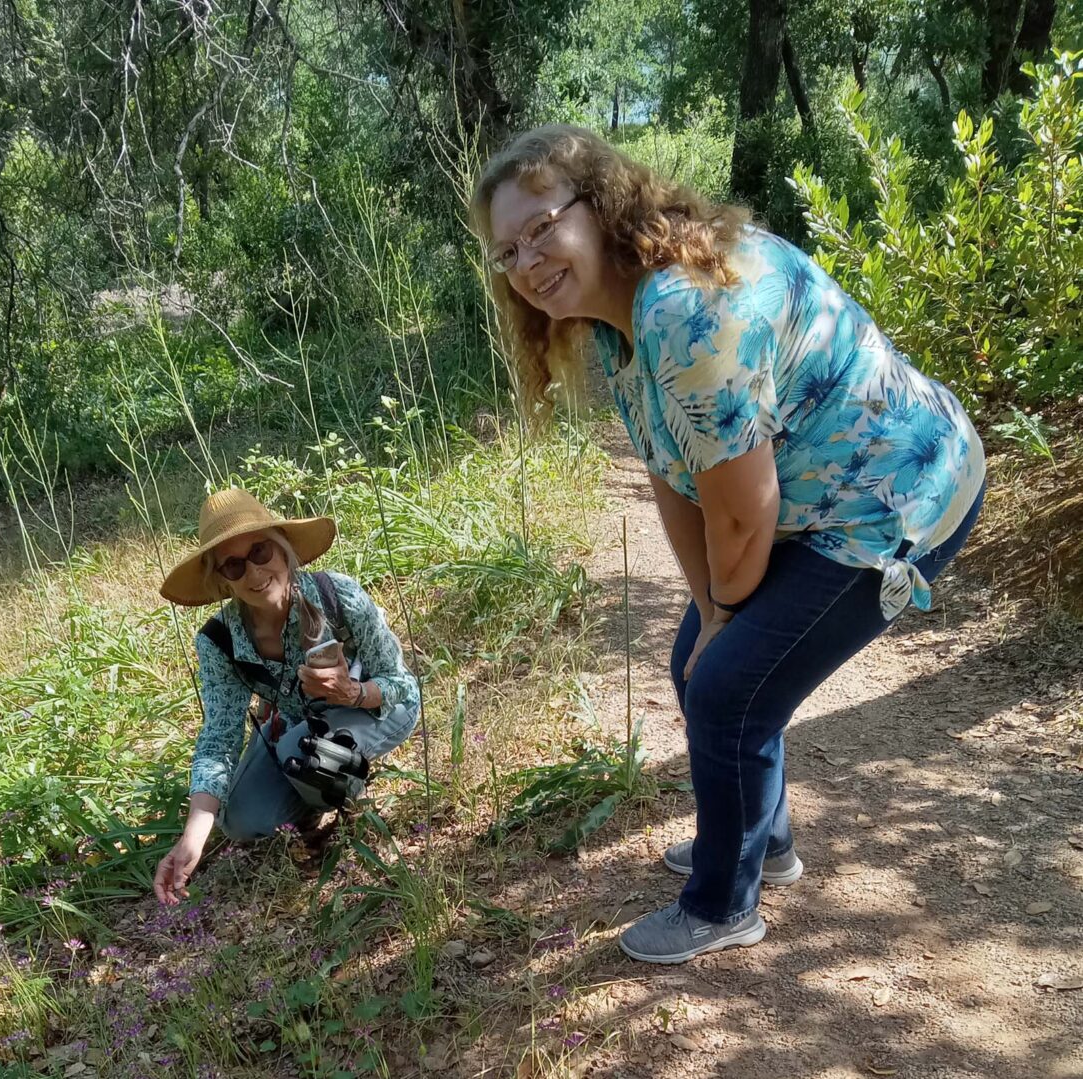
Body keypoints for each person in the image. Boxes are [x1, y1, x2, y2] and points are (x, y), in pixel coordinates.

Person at [472, 125, 985, 963]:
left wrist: (727, 623)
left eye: (542, 227)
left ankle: (722, 903)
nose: (528, 260)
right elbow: (672, 476)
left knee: (722, 688)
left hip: (903, 496)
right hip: (818, 503)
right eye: (508, 251)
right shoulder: (616, 319)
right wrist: (712, 611)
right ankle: (764, 838)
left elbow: (744, 517)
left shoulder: (683, 305)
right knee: (700, 657)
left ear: (598, 209)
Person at [153, 488, 419, 905]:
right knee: (240, 819)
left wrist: (351, 692)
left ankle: (348, 798)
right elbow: (219, 737)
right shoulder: (220, 641)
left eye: (260, 552)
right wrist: (193, 836)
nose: (254, 573)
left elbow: (401, 681)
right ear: (222, 579)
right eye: (235, 565)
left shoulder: (338, 596)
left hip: (380, 706)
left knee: (304, 748)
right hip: (301, 728)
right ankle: (314, 799)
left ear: (282, 549)